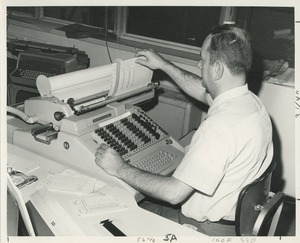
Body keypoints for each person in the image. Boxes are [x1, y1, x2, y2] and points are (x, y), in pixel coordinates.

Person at [95, 24, 273, 236]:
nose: (199, 64)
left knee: (113, 220)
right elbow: (203, 90)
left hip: (204, 230)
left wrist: (119, 168)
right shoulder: (252, 104)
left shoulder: (219, 127)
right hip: (238, 222)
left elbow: (174, 194)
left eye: (203, 60)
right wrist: (163, 65)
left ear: (217, 70)